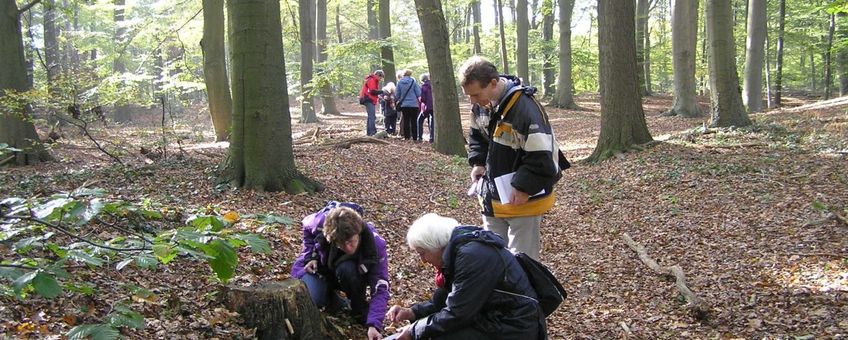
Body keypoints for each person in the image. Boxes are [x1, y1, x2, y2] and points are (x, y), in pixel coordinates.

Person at [459, 56, 568, 261]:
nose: (472, 101)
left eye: (475, 94)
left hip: (522, 200)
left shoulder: (525, 109)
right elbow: (477, 137)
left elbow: (541, 156)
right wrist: (478, 163)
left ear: (493, 83)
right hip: (492, 197)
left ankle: (525, 293)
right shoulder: (480, 106)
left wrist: (524, 187)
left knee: (522, 261)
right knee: (493, 258)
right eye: (468, 96)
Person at [385, 213, 544, 340]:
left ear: (436, 245)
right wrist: (412, 313)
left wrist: (414, 330)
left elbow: (458, 313)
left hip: (513, 326)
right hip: (492, 318)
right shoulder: (457, 252)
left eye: (423, 253)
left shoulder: (472, 256)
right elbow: (445, 301)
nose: (423, 261)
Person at [291, 201, 390, 340]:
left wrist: (374, 324)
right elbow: (306, 225)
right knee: (312, 299)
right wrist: (309, 257)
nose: (348, 248)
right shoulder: (321, 222)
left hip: (351, 274)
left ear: (359, 233)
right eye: (341, 244)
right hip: (322, 270)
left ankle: (356, 307)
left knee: (347, 269)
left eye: (351, 241)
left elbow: (380, 286)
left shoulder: (375, 244)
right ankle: (335, 300)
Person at [394, 69, 422, 141]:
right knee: (414, 121)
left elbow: (397, 94)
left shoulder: (400, 82)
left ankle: (407, 137)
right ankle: (415, 137)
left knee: (406, 121)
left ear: (403, 74)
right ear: (410, 74)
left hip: (404, 105)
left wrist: (397, 99)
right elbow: (418, 93)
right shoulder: (413, 82)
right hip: (414, 105)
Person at [359, 70, 385, 136]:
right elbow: (372, 91)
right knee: (372, 116)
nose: (380, 79)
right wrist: (382, 91)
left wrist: (378, 95)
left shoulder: (373, 80)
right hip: (368, 99)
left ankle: (369, 132)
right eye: (380, 77)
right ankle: (372, 132)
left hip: (369, 98)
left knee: (371, 116)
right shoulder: (372, 80)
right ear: (377, 75)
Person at [417, 73, 434, 143]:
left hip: (426, 107)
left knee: (419, 120)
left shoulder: (423, 87)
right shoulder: (433, 86)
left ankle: (419, 137)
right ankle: (432, 138)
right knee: (432, 121)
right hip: (433, 106)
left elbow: (422, 99)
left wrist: (420, 99)